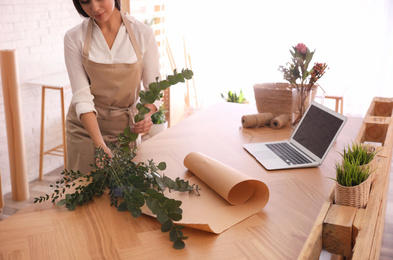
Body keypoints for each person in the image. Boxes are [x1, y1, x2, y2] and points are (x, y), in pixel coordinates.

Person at [64, 0, 161, 174]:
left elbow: (153, 90)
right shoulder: (74, 37)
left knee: (123, 194)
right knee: (85, 193)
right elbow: (82, 97)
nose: (94, 8)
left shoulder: (142, 33)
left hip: (124, 129)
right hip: (85, 131)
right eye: (85, 1)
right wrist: (98, 143)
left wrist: (144, 116)